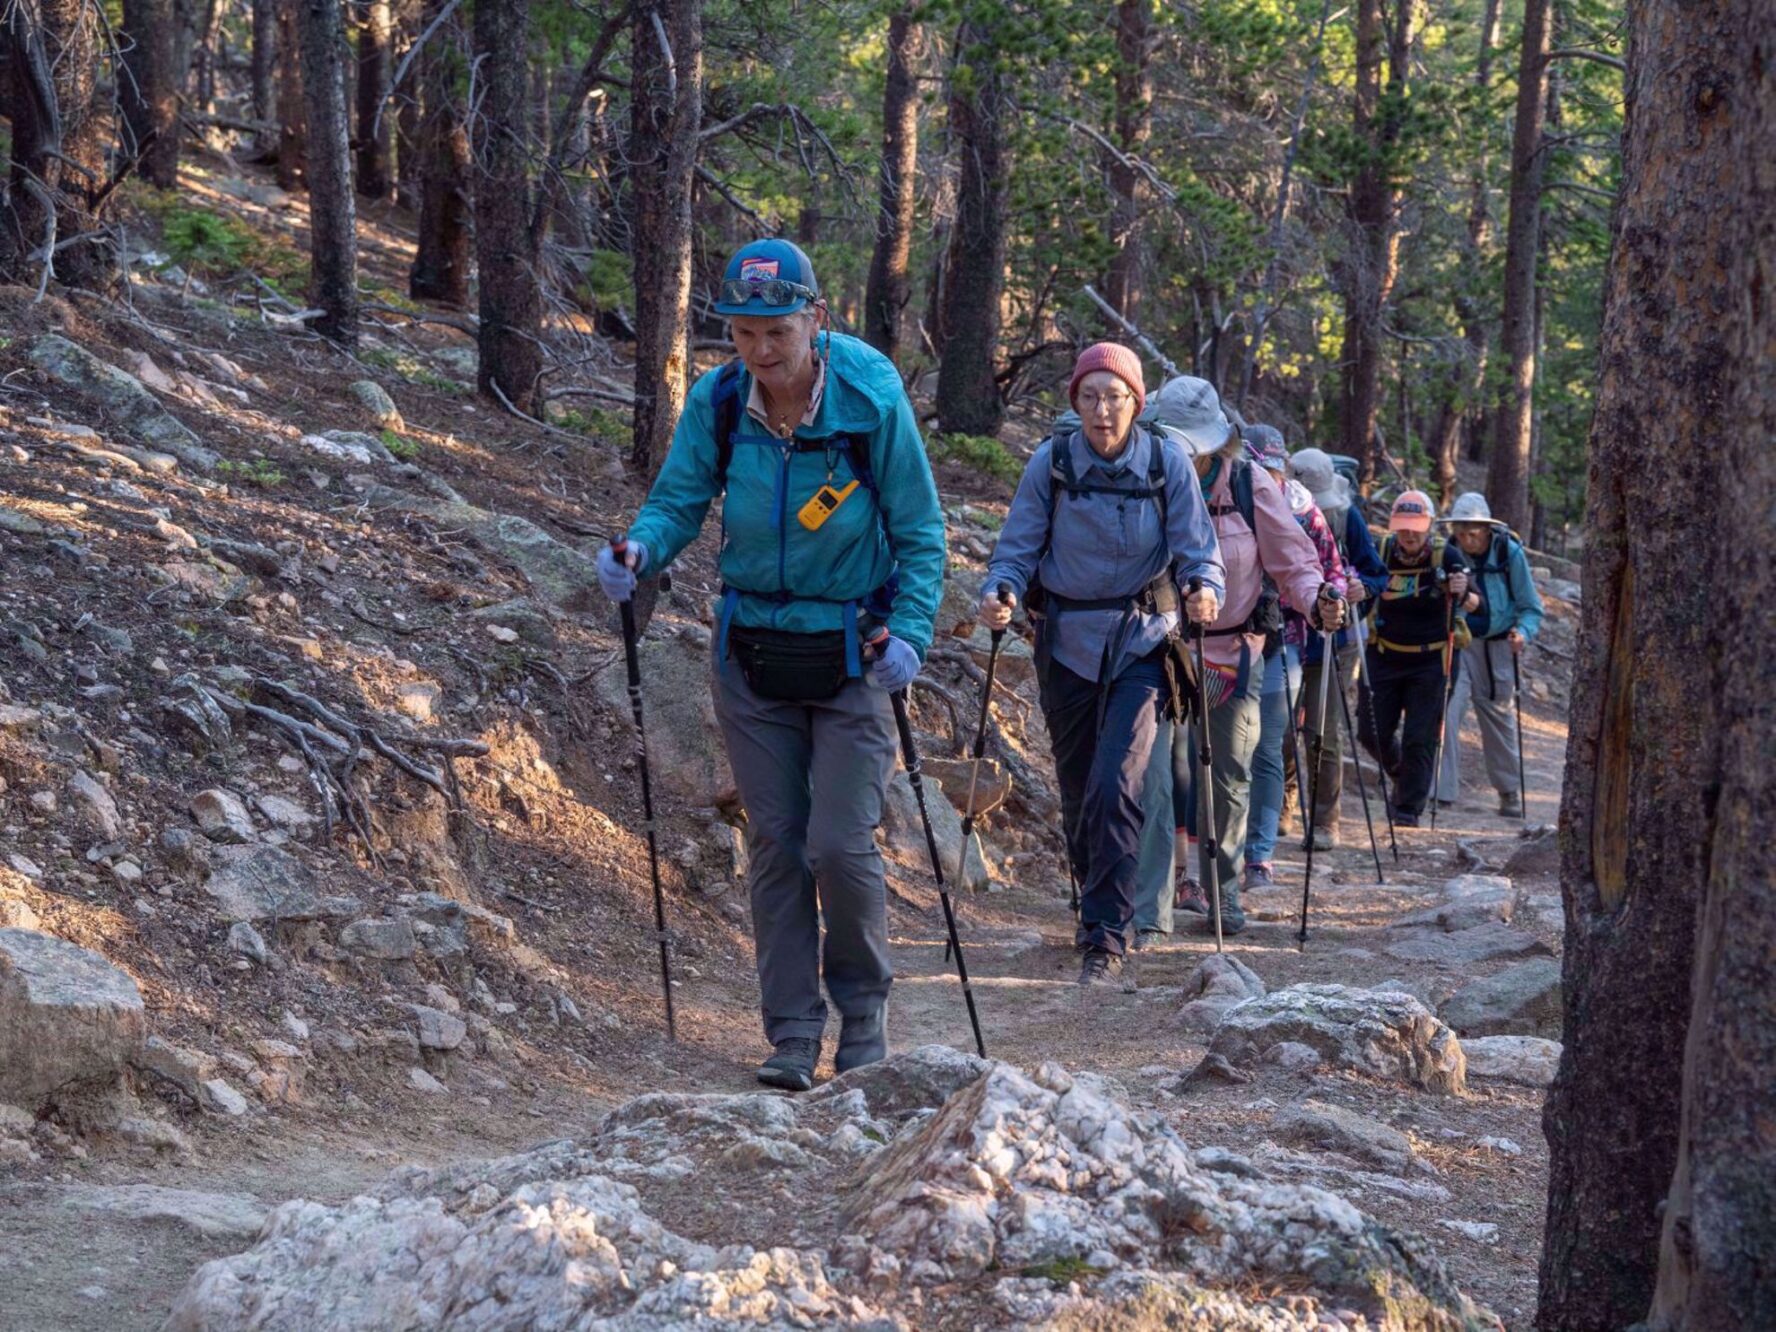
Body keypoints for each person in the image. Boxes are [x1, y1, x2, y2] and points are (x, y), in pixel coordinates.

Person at [596, 240, 945, 1091]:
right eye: (744, 332)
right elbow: (680, 499)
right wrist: (640, 549)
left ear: (815, 321)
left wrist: (910, 631)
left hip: (852, 652)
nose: (759, 350)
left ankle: (863, 1016)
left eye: (776, 331)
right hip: (750, 653)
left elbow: (921, 531)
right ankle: (792, 1034)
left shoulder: (867, 398)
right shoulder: (719, 402)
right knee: (778, 846)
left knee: (837, 843)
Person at [979, 344, 1223, 986]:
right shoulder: (1052, 461)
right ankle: (1094, 902)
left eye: (1115, 397)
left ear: (1136, 404)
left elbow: (1200, 549)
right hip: (1064, 641)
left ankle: (1107, 936)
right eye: (1090, 397)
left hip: (1143, 641)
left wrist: (1203, 587)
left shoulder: (1167, 461)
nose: (1102, 410)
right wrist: (1000, 590)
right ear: (1076, 404)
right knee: (1080, 790)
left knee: (1118, 784)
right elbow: (1017, 547)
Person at [1134, 378, 1346, 937]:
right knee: (1156, 776)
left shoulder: (1250, 484)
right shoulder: (1146, 474)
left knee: (1228, 775)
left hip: (1234, 652)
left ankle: (1223, 891)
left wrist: (1319, 599)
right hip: (1157, 646)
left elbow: (1295, 562)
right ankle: (1150, 911)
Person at [1241, 428, 1347, 892]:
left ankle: (1259, 854)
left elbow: (1333, 570)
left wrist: (1330, 600)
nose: (1269, 479)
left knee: (1268, 744)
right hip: (1232, 635)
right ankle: (1214, 849)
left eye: (1274, 469)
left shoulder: (1306, 510)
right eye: (1261, 469)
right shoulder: (1228, 498)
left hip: (1286, 638)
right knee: (1223, 748)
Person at [1287, 449, 1389, 849]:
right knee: (1278, 728)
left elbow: (1376, 572)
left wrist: (1365, 587)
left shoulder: (1348, 519)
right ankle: (1285, 802)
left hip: (1336, 640)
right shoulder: (1271, 513)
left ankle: (1325, 821)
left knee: (1322, 731)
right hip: (1287, 637)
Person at [1356, 490, 1474, 827]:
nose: (1409, 534)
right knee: (1370, 730)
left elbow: (1477, 603)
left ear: (1430, 526)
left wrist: (1463, 591)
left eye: (1416, 527)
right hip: (1383, 655)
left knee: (1419, 738)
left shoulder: (1447, 557)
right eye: (1403, 527)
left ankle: (1408, 810)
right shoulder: (1379, 552)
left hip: (1431, 661)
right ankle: (1400, 772)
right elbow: (1363, 589)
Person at [1434, 492, 1545, 815]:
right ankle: (1441, 793)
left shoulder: (1508, 553)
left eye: (1474, 532)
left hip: (1498, 645)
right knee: (1448, 709)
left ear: (1487, 530)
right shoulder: (1448, 554)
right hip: (1460, 642)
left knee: (1498, 718)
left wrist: (1522, 632)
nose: (1467, 539)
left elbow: (1531, 607)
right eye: (1461, 531)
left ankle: (1508, 791)